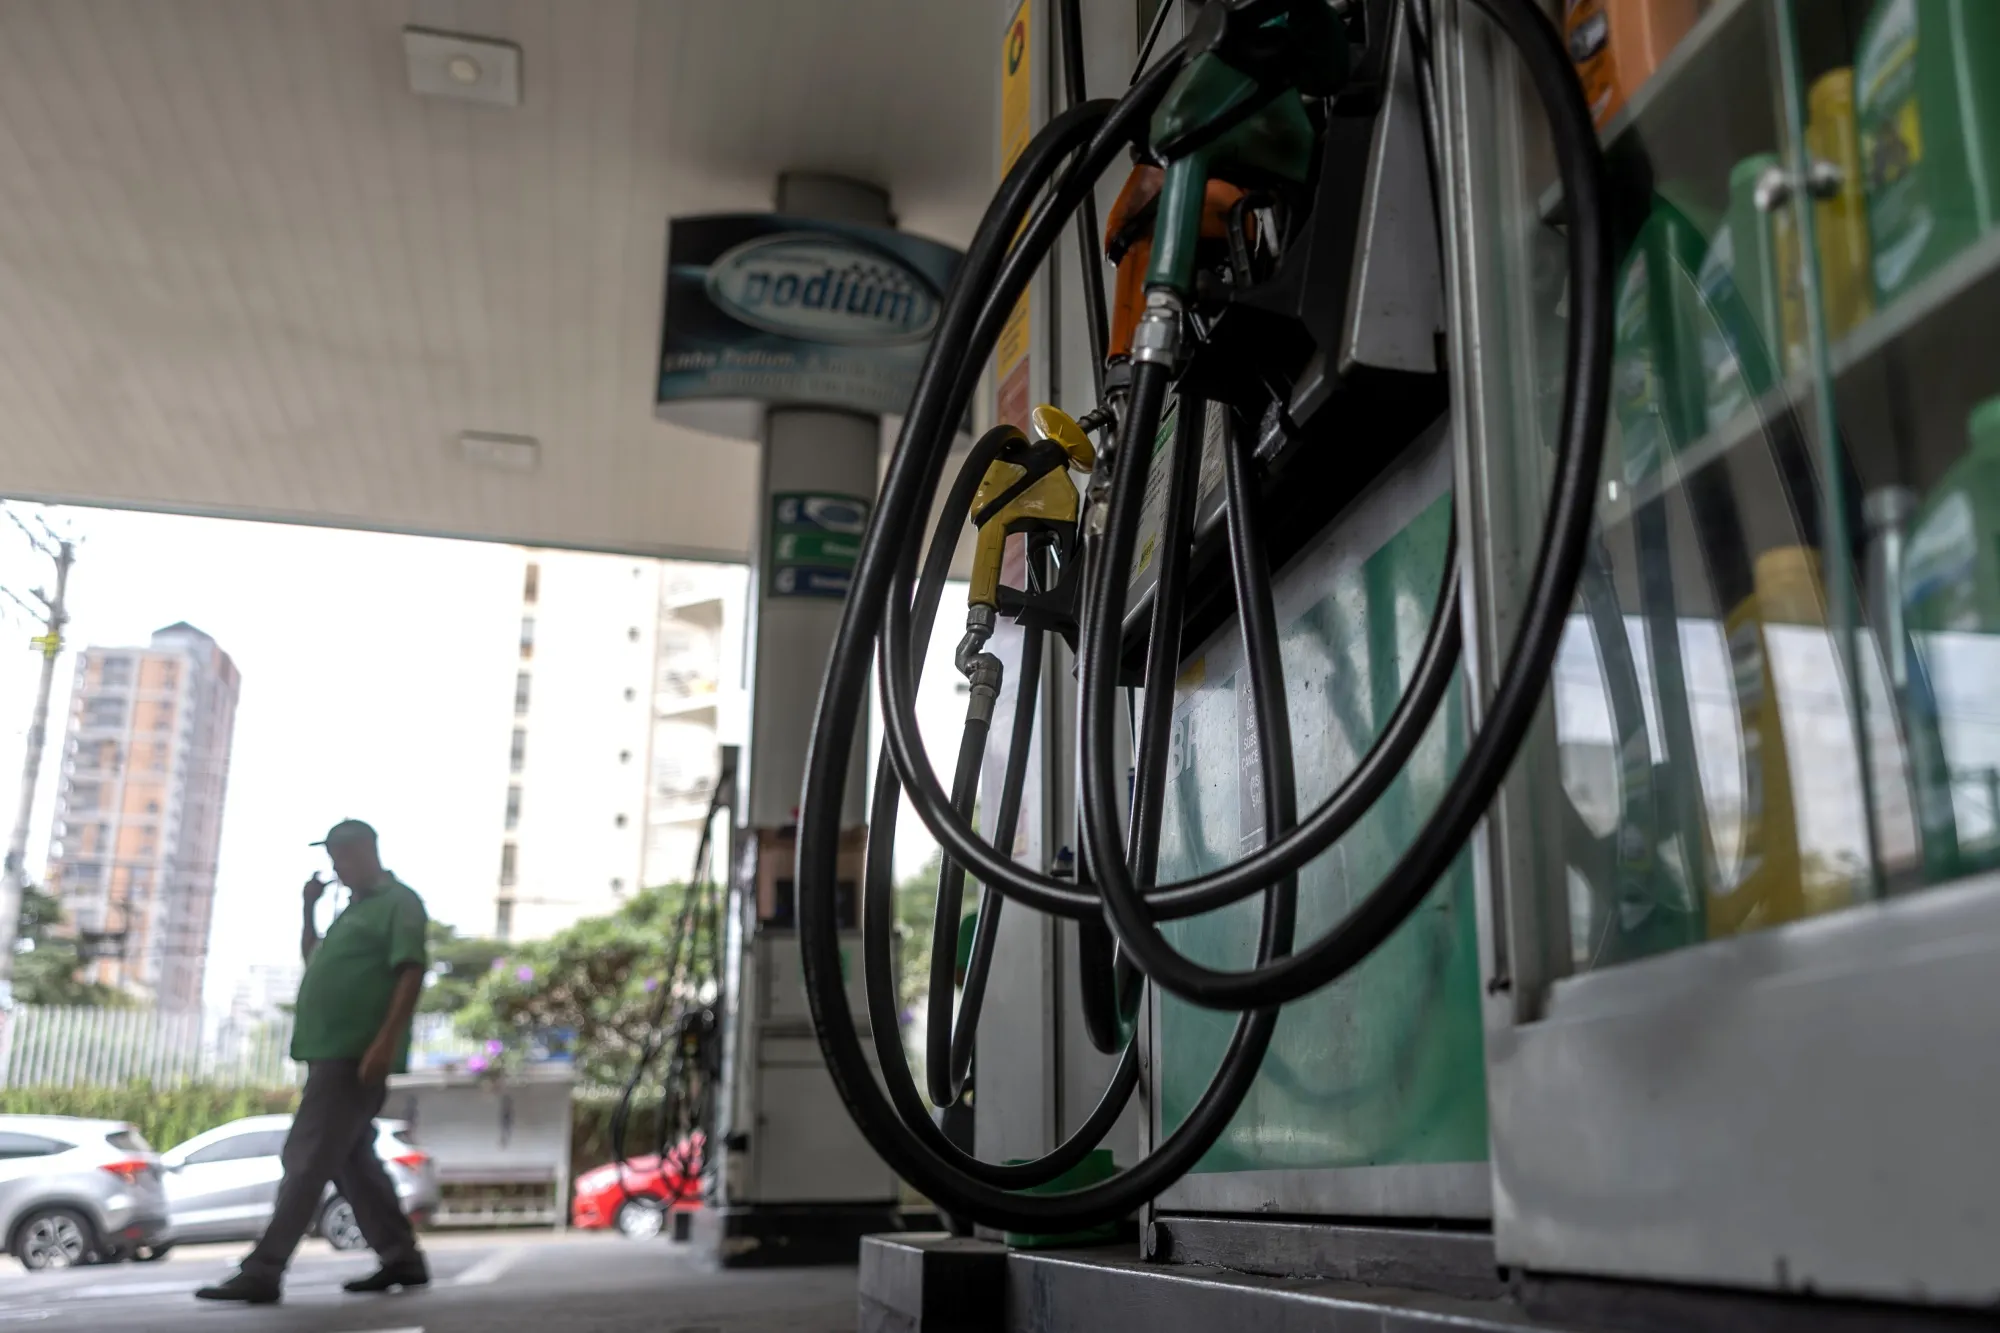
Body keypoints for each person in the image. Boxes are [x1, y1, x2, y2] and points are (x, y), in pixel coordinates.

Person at [197, 820, 431, 1304]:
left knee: (305, 1158)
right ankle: (401, 1259)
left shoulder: (398, 903)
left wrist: (384, 1044)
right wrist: (308, 909)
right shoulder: (351, 910)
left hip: (354, 1057)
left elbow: (411, 972)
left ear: (365, 851)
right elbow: (315, 958)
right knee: (352, 1162)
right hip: (329, 1053)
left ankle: (264, 1269)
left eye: (341, 857)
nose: (336, 869)